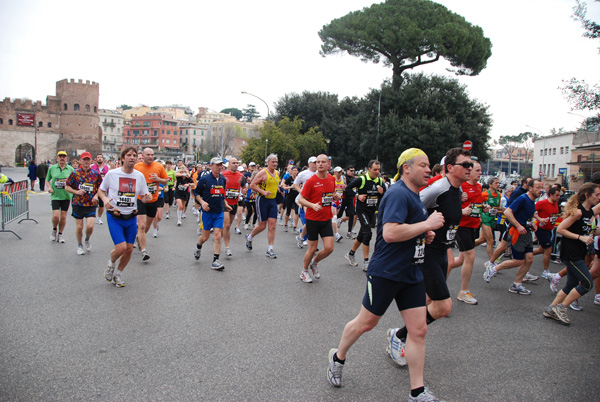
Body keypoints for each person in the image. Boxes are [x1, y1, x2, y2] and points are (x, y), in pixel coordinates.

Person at [327, 148, 445, 402]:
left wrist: (423, 234)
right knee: (366, 323)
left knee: (418, 330)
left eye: (429, 165)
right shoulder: (398, 193)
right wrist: (427, 225)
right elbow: (390, 233)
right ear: (407, 168)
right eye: (423, 165)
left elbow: (405, 229)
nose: (428, 170)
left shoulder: (414, 196)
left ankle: (417, 392)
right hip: (387, 272)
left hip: (411, 271)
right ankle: (338, 357)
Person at [543, 183, 600, 325]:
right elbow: (561, 229)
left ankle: (551, 309)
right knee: (587, 283)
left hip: (579, 252)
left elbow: (589, 231)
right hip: (571, 252)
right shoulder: (578, 212)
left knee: (572, 283)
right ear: (587, 195)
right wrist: (580, 237)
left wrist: (592, 233)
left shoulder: (590, 213)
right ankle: (562, 308)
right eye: (597, 195)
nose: (599, 198)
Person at [99, 147, 151, 287]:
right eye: (129, 155)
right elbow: (101, 190)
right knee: (121, 248)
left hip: (131, 216)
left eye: (134, 155)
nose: (132, 157)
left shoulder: (139, 176)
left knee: (128, 249)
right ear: (122, 158)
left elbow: (143, 197)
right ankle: (111, 264)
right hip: (115, 216)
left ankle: (118, 274)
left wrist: (147, 197)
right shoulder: (112, 174)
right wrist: (104, 200)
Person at [483, 179, 544, 295]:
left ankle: (517, 284)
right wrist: (518, 225)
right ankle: (493, 268)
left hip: (526, 233)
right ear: (530, 188)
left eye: (542, 187)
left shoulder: (532, 201)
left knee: (529, 259)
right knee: (518, 261)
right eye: (537, 187)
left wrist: (531, 224)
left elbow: (524, 216)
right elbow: (508, 212)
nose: (540, 190)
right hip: (516, 232)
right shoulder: (523, 198)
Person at [297, 154, 340, 283]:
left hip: (326, 218)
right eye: (318, 162)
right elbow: (301, 199)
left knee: (329, 248)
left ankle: (314, 263)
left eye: (323, 162)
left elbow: (330, 194)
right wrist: (312, 205)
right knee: (312, 248)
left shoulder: (332, 179)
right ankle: (304, 272)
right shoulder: (311, 181)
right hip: (312, 219)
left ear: (328, 165)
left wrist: (335, 196)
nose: (320, 164)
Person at [448, 160, 487, 305]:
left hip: (473, 225)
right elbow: (450, 205)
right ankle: (463, 292)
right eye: (477, 170)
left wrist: (483, 207)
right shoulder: (461, 186)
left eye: (480, 170)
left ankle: (439, 283)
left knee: (459, 260)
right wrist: (461, 211)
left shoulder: (478, 186)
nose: (480, 173)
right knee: (471, 256)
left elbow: (475, 205)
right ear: (470, 172)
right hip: (462, 225)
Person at [344, 160, 386, 271]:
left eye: (378, 170)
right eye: (375, 169)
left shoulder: (380, 182)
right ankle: (366, 262)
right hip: (361, 210)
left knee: (362, 235)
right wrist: (357, 195)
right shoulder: (362, 179)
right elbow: (348, 188)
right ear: (369, 169)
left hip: (371, 212)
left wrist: (382, 193)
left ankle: (351, 254)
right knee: (368, 233)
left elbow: (386, 196)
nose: (377, 172)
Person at [193, 157, 231, 270]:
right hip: (207, 212)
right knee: (204, 237)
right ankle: (198, 247)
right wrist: (202, 202)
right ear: (211, 166)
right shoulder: (205, 179)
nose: (219, 167)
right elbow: (196, 193)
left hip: (219, 211)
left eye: (221, 165)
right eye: (217, 165)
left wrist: (225, 203)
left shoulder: (223, 180)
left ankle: (215, 260)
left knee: (218, 236)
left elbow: (221, 194)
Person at [134, 148, 169, 261]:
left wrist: (157, 179)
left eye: (152, 154)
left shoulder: (158, 167)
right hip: (141, 199)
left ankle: (139, 237)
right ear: (143, 156)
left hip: (153, 200)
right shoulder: (137, 167)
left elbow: (166, 181)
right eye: (148, 154)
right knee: (142, 225)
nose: (150, 156)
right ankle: (144, 251)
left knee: (147, 225)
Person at [65, 152, 102, 255]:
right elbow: (67, 186)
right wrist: (76, 192)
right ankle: (79, 244)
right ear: (80, 161)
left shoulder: (95, 174)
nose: (86, 162)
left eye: (88, 160)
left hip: (91, 203)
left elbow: (101, 187)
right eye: (84, 160)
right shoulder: (75, 173)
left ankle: (87, 239)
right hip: (78, 203)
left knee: (90, 226)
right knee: (79, 226)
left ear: (91, 161)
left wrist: (96, 196)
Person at [246, 154, 281, 258]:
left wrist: (279, 190)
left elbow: (275, 184)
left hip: (273, 201)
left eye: (276, 162)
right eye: (273, 162)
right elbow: (252, 185)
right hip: (262, 200)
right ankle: (250, 237)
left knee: (272, 225)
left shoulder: (277, 173)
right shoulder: (263, 173)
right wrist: (263, 192)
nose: (274, 164)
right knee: (262, 226)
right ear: (268, 162)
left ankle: (270, 249)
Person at [46, 151, 75, 243]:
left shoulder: (70, 169)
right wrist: (49, 187)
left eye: (64, 156)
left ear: (66, 158)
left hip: (66, 196)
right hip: (55, 195)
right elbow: (47, 180)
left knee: (63, 217)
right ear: (57, 158)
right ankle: (54, 229)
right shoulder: (52, 168)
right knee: (55, 216)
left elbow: (74, 181)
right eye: (60, 156)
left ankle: (61, 234)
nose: (62, 158)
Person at [533, 186, 561, 280]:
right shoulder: (542, 203)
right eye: (557, 195)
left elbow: (553, 215)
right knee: (548, 249)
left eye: (559, 195)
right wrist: (540, 219)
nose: (558, 197)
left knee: (541, 249)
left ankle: (526, 254)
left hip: (549, 229)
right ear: (551, 195)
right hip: (541, 228)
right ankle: (545, 271)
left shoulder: (556, 204)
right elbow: (531, 210)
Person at [222, 157, 247, 257]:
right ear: (229, 165)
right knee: (227, 225)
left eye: (237, 163)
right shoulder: (223, 175)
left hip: (234, 203)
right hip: (224, 202)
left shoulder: (241, 176)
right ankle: (227, 247)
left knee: (227, 227)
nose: (236, 164)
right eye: (233, 163)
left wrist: (244, 190)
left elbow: (244, 186)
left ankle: (220, 237)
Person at [91, 153, 109, 224]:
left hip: (102, 189)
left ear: (103, 159)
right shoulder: (92, 167)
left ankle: (99, 218)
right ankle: (92, 216)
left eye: (100, 157)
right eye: (98, 157)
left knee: (101, 205)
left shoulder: (107, 168)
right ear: (96, 159)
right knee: (93, 203)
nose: (99, 159)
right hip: (94, 188)